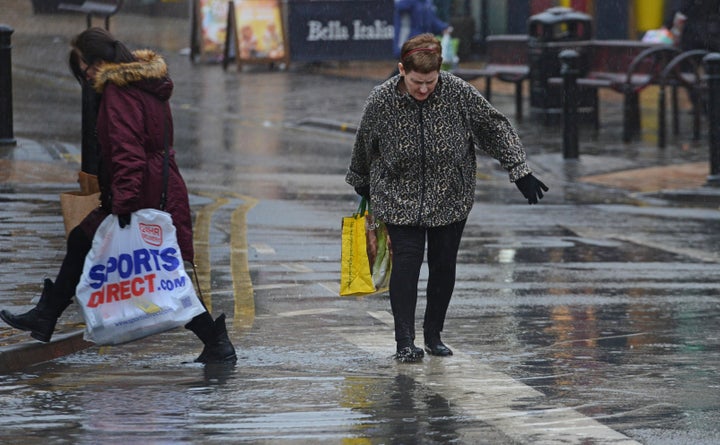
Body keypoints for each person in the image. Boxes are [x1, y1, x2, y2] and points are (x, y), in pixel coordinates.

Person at [0, 28, 237, 365]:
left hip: (139, 192)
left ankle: (215, 339)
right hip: (158, 187)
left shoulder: (118, 93)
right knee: (104, 250)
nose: (86, 76)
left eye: (85, 69)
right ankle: (45, 315)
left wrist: (123, 205)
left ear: (98, 63)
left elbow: (129, 154)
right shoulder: (145, 85)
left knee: (157, 275)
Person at [346, 33, 548, 363]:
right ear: (401, 70)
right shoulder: (381, 100)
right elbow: (364, 143)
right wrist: (360, 180)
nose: (424, 89)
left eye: (430, 81)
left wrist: (520, 170)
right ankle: (405, 341)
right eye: (416, 82)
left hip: (450, 196)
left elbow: (494, 128)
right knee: (407, 265)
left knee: (443, 266)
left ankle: (433, 334)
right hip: (399, 196)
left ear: (440, 71)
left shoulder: (458, 93)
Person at [390, 0, 451, 77]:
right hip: (408, 41)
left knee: (417, 69)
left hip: (424, 42)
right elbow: (400, 7)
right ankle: (386, 87)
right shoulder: (407, 3)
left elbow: (432, 20)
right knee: (406, 68)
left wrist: (443, 28)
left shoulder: (427, 3)